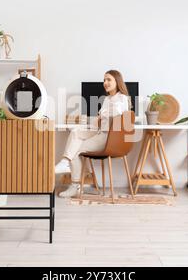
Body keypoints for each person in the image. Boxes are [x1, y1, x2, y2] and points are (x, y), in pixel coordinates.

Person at [55, 70, 131, 198]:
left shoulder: (122, 98)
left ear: (117, 82)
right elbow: (99, 121)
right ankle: (65, 161)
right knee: (75, 132)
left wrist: (102, 114)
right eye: (104, 80)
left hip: (109, 139)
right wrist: (95, 119)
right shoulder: (107, 99)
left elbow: (117, 112)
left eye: (109, 80)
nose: (105, 83)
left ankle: (75, 185)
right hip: (99, 132)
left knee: (74, 149)